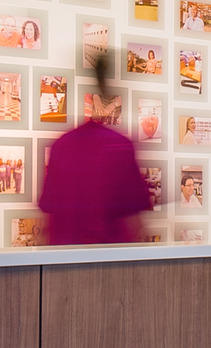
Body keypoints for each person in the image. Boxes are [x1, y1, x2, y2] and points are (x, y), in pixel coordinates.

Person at [35, 48, 151, 244]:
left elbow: (48, 221)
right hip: (109, 261)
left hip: (63, 261)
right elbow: (135, 224)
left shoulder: (62, 146)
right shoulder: (120, 147)